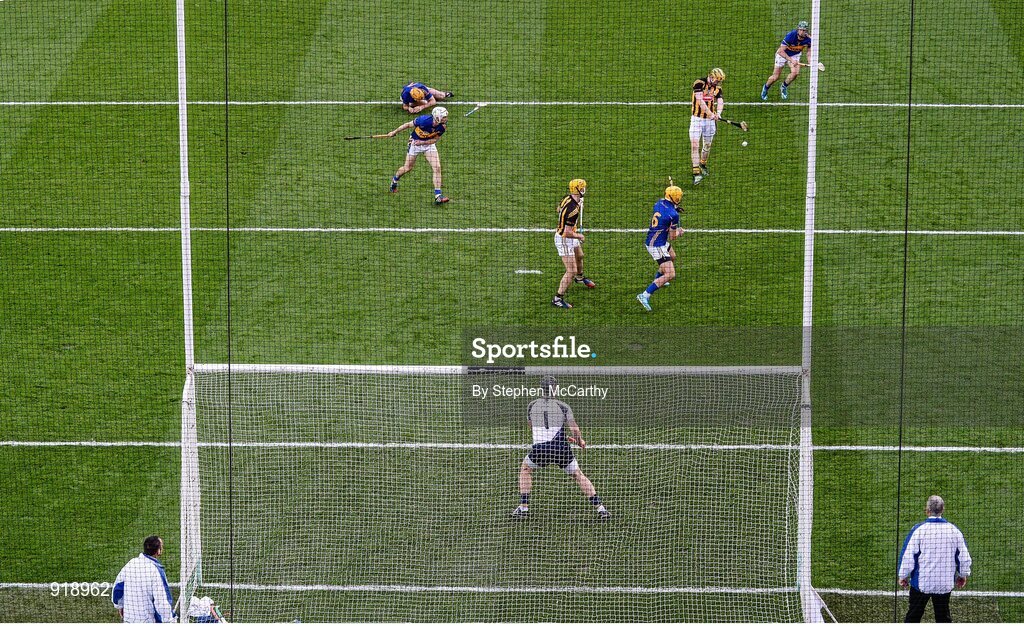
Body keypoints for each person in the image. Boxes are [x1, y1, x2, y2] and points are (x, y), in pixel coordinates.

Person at [511, 376, 610, 520]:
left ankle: (523, 508)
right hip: (560, 448)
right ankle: (601, 509)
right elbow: (575, 430)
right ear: (555, 389)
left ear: (541, 389)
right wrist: (578, 440)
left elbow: (533, 426)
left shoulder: (531, 405)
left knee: (526, 469)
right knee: (578, 475)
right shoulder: (563, 406)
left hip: (540, 450)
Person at [898, 495, 972, 623]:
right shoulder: (954, 531)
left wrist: (903, 575)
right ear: (943, 510)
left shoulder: (918, 530)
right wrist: (963, 575)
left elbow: (908, 555)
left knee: (913, 616)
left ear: (927, 510)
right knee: (943, 618)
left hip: (922, 584)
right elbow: (963, 557)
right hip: (944, 584)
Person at [387, 106, 450, 204]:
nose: (446, 119)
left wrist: (422, 143)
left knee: (437, 167)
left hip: (428, 145)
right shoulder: (423, 120)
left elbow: (435, 139)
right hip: (414, 144)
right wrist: (394, 132)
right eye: (444, 117)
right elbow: (407, 125)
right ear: (437, 117)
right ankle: (394, 181)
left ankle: (438, 196)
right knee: (407, 168)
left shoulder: (443, 126)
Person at [637, 184, 683, 311]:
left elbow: (665, 216)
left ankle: (658, 278)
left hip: (656, 239)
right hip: (657, 245)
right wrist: (679, 230)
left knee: (672, 256)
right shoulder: (673, 215)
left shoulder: (659, 203)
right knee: (670, 274)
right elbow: (673, 236)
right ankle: (645, 295)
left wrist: (674, 211)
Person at [552, 178, 595, 309]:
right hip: (564, 239)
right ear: (577, 189)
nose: (584, 190)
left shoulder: (568, 198)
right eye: (582, 188)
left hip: (569, 235)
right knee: (571, 270)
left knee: (580, 256)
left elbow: (558, 209)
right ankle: (557, 298)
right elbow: (566, 233)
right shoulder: (573, 211)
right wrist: (579, 235)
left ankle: (580, 278)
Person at [112, 535, 176, 623]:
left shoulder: (130, 564)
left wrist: (119, 606)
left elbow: (117, 589)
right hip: (148, 621)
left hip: (129, 619)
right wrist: (170, 620)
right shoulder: (156, 570)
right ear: (158, 551)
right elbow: (162, 600)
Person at [689, 68, 725, 185]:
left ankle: (702, 164)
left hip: (709, 122)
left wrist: (718, 113)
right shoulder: (699, 83)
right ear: (711, 76)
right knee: (695, 145)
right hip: (697, 119)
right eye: (716, 80)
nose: (717, 83)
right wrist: (710, 114)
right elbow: (700, 101)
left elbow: (720, 102)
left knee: (707, 145)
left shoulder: (717, 89)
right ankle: (696, 173)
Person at [761, 21, 812, 101]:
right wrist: (791, 60)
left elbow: (809, 52)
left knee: (795, 73)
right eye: (801, 30)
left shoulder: (809, 40)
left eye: (804, 30)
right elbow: (781, 51)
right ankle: (766, 87)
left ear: (807, 31)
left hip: (795, 54)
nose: (802, 32)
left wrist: (810, 62)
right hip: (782, 54)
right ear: (798, 29)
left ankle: (784, 86)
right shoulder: (791, 36)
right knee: (775, 77)